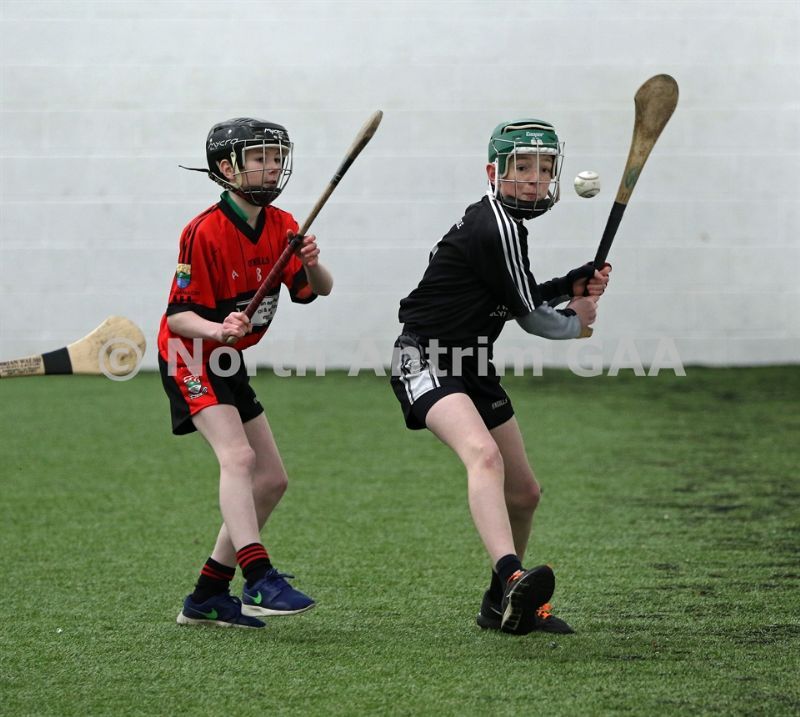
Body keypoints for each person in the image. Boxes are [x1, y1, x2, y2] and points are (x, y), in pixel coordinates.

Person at [389, 119, 611, 635]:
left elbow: (516, 295)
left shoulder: (502, 226)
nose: (535, 179)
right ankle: (512, 577)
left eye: (545, 169)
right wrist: (576, 322)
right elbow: (533, 318)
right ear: (494, 173)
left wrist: (570, 284)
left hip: (473, 366)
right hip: (424, 358)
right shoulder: (497, 226)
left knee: (525, 493)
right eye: (522, 167)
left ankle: (499, 606)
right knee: (483, 456)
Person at [157, 117, 333, 629]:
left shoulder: (283, 225)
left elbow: (317, 289)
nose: (272, 167)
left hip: (227, 361)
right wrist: (218, 329)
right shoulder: (202, 232)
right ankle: (257, 577)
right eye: (260, 158)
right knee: (238, 457)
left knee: (272, 480)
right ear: (226, 168)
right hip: (190, 356)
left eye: (277, 157)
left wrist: (311, 260)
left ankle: (208, 594)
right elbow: (178, 317)